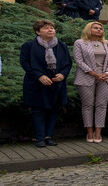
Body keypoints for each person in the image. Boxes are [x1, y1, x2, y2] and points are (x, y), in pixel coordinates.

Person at [21, 19, 73, 148]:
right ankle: (39, 138)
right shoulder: (29, 45)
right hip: (36, 83)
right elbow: (25, 63)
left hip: (56, 83)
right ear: (38, 32)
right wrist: (39, 75)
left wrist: (63, 74)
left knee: (54, 110)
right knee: (38, 110)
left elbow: (68, 63)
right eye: (46, 28)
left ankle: (48, 137)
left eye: (52, 28)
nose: (50, 30)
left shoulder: (61, 46)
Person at [73, 21, 108, 143]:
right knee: (88, 105)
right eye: (96, 28)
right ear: (88, 29)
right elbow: (79, 61)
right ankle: (89, 132)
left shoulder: (107, 43)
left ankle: (98, 132)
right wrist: (95, 74)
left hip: (105, 78)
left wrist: (107, 73)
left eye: (100, 28)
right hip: (86, 77)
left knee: (101, 105)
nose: (99, 30)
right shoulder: (80, 43)